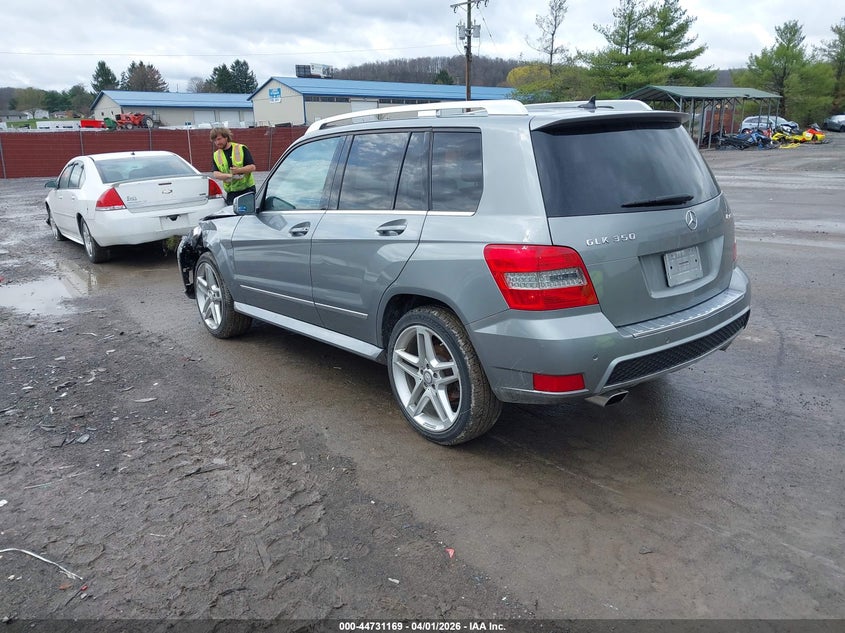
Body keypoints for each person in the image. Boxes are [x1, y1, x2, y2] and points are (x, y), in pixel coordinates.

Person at [210, 126, 257, 205]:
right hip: (231, 193)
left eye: (219, 139)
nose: (217, 142)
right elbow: (216, 173)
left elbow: (252, 167)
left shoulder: (241, 148)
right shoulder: (216, 154)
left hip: (247, 190)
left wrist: (238, 170)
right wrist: (229, 175)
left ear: (226, 137)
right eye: (215, 140)